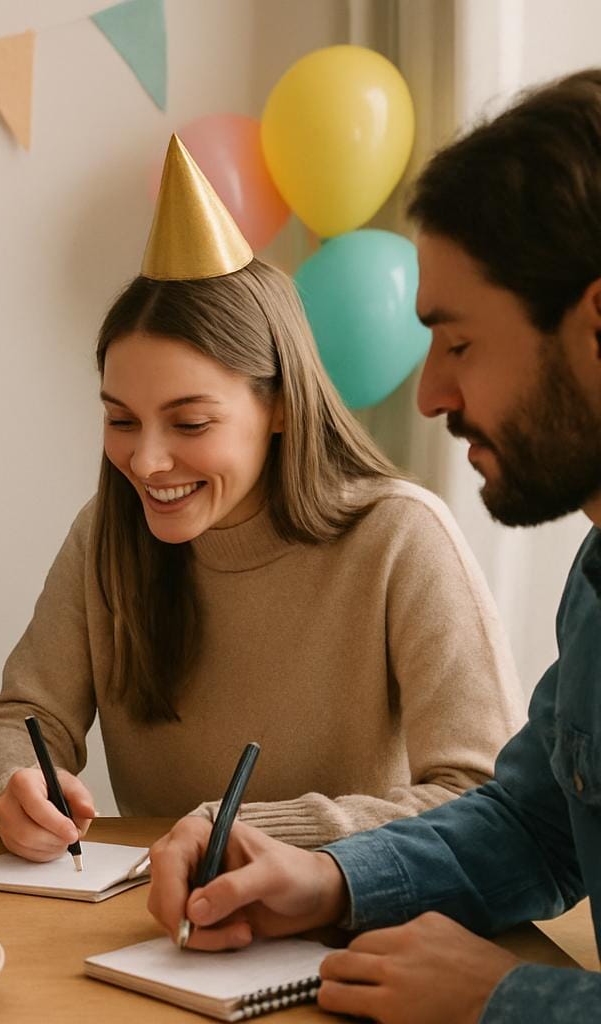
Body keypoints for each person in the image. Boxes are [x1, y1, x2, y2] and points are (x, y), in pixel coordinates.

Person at [145, 70, 601, 1022]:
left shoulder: (402, 534)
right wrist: (327, 881)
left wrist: (507, 998)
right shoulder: (595, 583)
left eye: (460, 343)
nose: (429, 393)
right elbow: (534, 826)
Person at [0, 137, 523, 860]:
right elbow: (22, 716)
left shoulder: (400, 537)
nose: (147, 460)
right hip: (156, 924)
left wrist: (256, 837)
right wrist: (11, 781)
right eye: (120, 419)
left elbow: (482, 797)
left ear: (280, 407)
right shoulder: (105, 534)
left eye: (190, 422)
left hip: (339, 930)